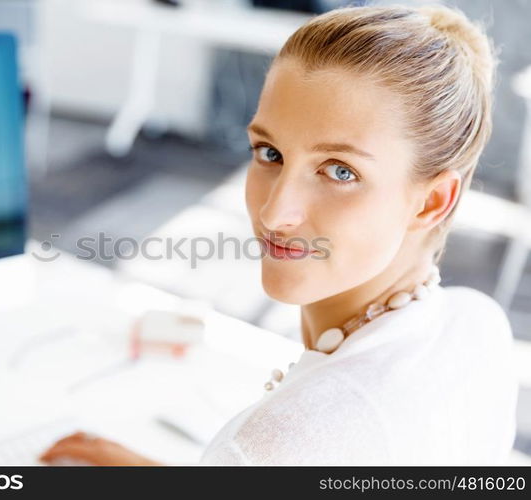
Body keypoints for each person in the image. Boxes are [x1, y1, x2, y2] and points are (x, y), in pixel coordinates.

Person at [39, 4, 518, 465]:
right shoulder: (479, 325)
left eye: (340, 171)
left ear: (433, 201)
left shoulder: (274, 446)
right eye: (269, 153)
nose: (275, 212)